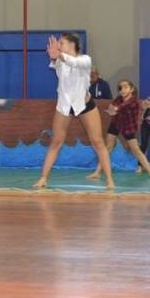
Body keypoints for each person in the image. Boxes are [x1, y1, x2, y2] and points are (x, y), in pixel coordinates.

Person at [33, 34, 115, 189]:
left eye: (62, 43)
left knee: (97, 141)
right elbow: (57, 62)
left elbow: (73, 62)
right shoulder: (60, 61)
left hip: (84, 105)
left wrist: (60, 55)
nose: (59, 46)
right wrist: (53, 57)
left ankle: (110, 180)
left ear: (72, 45)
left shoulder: (85, 60)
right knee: (56, 141)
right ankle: (43, 178)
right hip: (64, 106)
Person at [86, 80, 150, 180]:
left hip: (128, 127)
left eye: (125, 87)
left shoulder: (133, 101)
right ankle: (97, 172)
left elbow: (125, 106)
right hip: (116, 124)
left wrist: (116, 109)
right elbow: (113, 106)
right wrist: (112, 109)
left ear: (131, 89)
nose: (123, 90)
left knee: (136, 150)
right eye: (120, 88)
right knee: (107, 148)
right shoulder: (118, 99)